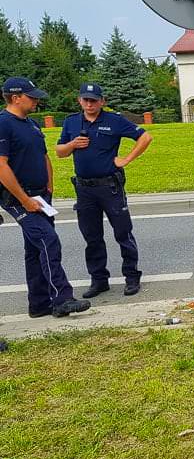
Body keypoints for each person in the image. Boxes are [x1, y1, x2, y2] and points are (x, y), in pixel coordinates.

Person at [0, 77, 90, 318]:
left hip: (40, 196)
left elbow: (43, 156)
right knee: (48, 241)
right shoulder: (3, 124)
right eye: (32, 97)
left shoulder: (31, 124)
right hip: (18, 198)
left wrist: (48, 187)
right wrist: (24, 199)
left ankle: (39, 303)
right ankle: (62, 298)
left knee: (34, 248)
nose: (37, 101)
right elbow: (1, 166)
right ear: (15, 97)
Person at [56, 83, 153, 298]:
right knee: (92, 236)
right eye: (85, 100)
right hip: (84, 189)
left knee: (122, 232)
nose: (89, 104)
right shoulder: (72, 122)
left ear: (102, 101)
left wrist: (127, 159)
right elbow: (59, 152)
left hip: (110, 186)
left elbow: (145, 137)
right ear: (79, 100)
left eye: (93, 100)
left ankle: (131, 276)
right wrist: (72, 144)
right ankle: (99, 280)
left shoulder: (114, 120)